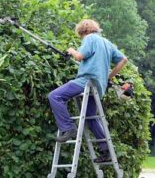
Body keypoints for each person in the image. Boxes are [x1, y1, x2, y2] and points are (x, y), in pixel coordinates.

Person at [48, 19, 128, 163]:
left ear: (83, 31)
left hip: (85, 81)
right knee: (91, 116)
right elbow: (124, 59)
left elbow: (79, 56)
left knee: (54, 96)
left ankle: (68, 128)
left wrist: (71, 50)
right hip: (99, 86)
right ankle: (106, 151)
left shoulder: (90, 38)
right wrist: (108, 76)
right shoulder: (107, 43)